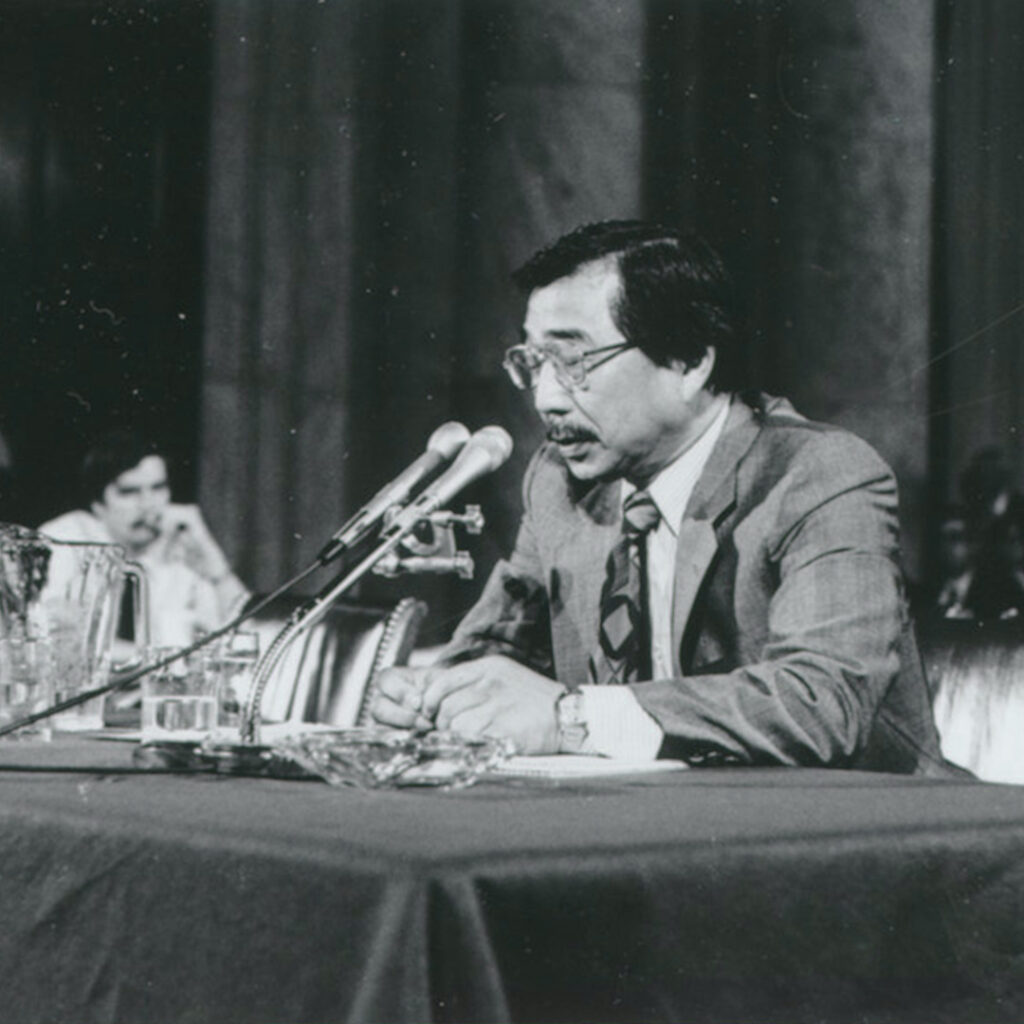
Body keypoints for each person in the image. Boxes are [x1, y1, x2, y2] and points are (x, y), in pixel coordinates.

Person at [372, 219, 950, 774]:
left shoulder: (817, 475)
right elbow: (498, 649)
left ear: (690, 362)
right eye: (533, 363)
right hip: (653, 824)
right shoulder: (560, 481)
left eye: (573, 362)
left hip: (863, 827)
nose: (546, 399)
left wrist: (571, 718)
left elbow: (821, 704)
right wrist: (436, 697)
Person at [39, 428, 249, 648]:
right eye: (129, 492)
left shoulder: (181, 544)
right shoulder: (65, 540)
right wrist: (158, 657)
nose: (148, 505)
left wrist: (216, 567)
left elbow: (247, 637)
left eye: (158, 488)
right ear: (98, 505)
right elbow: (60, 641)